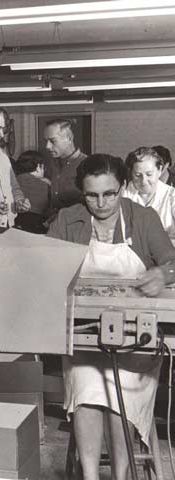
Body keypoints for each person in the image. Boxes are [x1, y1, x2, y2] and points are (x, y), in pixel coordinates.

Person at [48, 153, 175, 480]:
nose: (101, 202)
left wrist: (162, 273)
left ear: (123, 187)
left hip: (136, 335)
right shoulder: (68, 219)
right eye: (91, 195)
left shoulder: (143, 218)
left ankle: (120, 477)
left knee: (120, 402)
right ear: (82, 192)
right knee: (87, 395)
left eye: (110, 193)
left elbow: (172, 261)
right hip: (83, 334)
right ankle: (90, 477)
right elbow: (44, 265)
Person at [123, 146, 175, 242]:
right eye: (138, 175)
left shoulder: (172, 196)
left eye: (149, 174)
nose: (143, 181)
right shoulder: (125, 194)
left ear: (159, 170)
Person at [43, 118, 87, 216]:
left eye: (52, 141)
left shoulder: (87, 165)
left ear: (69, 139)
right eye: (46, 141)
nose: (47, 146)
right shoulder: (50, 164)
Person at [14, 150, 51, 234]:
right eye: (44, 168)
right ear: (38, 167)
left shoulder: (15, 180)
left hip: (16, 222)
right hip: (37, 224)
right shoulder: (46, 184)